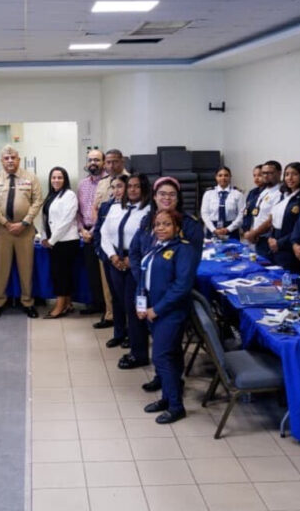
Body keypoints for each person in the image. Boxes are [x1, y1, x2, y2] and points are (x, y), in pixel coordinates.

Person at [129, 176, 203, 388]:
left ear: (178, 198)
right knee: (159, 341)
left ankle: (173, 383)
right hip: (148, 291)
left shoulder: (190, 224)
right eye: (162, 194)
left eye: (172, 194)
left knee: (170, 343)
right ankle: (163, 378)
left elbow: (190, 264)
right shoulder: (148, 220)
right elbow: (135, 252)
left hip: (171, 294)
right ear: (154, 197)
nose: (167, 198)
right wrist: (143, 277)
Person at [137, 209, 196, 424]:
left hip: (170, 312)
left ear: (177, 227)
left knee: (161, 357)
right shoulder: (156, 247)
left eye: (166, 224)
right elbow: (143, 278)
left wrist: (157, 309)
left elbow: (181, 286)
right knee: (171, 355)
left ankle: (176, 406)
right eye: (157, 224)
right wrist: (140, 304)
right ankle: (167, 398)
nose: (160, 228)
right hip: (152, 310)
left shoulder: (184, 250)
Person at [0, 145, 44, 318]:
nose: (10, 161)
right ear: (1, 161)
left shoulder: (31, 178)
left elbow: (37, 201)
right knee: (1, 268)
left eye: (13, 158)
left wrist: (24, 222)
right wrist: (5, 223)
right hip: (3, 231)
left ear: (19, 159)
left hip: (25, 231)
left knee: (26, 268)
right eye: (6, 158)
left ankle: (27, 302)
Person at [100, 173, 151, 363]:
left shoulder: (149, 211)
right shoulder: (115, 208)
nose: (133, 190)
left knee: (134, 307)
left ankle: (139, 354)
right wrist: (112, 256)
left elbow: (151, 240)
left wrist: (133, 259)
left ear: (144, 188)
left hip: (136, 263)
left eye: (137, 186)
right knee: (120, 302)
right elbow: (104, 233)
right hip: (116, 259)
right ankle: (124, 337)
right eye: (130, 186)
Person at [91, 149, 130, 328]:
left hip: (124, 243)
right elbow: (96, 208)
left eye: (115, 161)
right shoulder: (103, 183)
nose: (111, 165)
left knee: (126, 288)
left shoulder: (131, 181)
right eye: (108, 162)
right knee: (108, 284)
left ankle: (129, 322)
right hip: (106, 241)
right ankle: (111, 315)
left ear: (122, 161)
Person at [40, 166, 79, 319]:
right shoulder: (51, 195)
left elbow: (66, 221)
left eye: (60, 177)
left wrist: (52, 240)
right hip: (54, 241)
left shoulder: (69, 195)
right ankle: (68, 304)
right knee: (62, 273)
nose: (56, 180)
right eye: (53, 177)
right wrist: (44, 236)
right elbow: (45, 219)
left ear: (65, 180)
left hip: (66, 241)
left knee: (60, 274)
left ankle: (59, 307)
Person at [76, 149, 106, 316]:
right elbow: (78, 212)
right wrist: (82, 230)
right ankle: (97, 303)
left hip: (102, 233)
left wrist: (93, 231)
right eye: (90, 160)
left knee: (105, 273)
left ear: (103, 163)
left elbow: (106, 213)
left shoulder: (108, 183)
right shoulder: (82, 184)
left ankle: (108, 307)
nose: (93, 163)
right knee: (92, 271)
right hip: (86, 233)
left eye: (97, 160)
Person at [267, 162, 300, 273]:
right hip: (274, 244)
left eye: (294, 174)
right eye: (287, 174)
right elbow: (274, 220)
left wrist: (279, 243)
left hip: (288, 247)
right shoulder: (284, 196)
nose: (290, 178)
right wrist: (271, 238)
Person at [243, 161, 283, 258]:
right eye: (264, 173)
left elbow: (271, 220)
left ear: (279, 173)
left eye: (270, 173)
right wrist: (252, 231)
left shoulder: (280, 192)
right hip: (257, 238)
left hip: (268, 240)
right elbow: (256, 214)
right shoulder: (264, 191)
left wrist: (254, 233)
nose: (265, 176)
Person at [200, 167, 245, 240]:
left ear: (230, 177)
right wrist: (213, 229)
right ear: (216, 177)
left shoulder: (238, 194)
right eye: (220, 175)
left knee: (232, 247)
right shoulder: (208, 193)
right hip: (213, 229)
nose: (223, 178)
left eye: (226, 175)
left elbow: (241, 215)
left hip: (231, 229)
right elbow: (204, 214)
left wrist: (228, 229)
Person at [239, 165, 264, 240]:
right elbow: (246, 212)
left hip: (262, 233)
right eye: (254, 175)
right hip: (249, 232)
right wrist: (245, 230)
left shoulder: (270, 193)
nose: (256, 178)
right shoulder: (252, 192)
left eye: (259, 175)